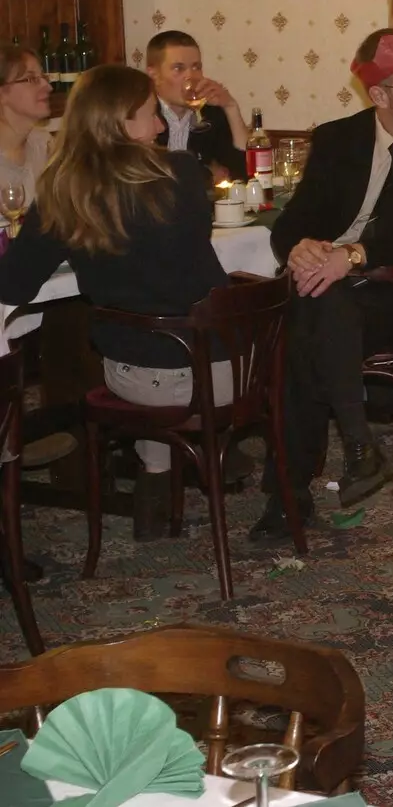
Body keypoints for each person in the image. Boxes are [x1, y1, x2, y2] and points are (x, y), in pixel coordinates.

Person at [255, 25, 393, 542]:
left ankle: (288, 492)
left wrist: (352, 256)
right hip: (331, 292)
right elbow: (298, 217)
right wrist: (298, 248)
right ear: (379, 95)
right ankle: (359, 449)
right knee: (313, 315)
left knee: (302, 326)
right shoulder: (339, 138)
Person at [0, 66, 231, 540]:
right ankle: (176, 470)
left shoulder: (64, 192)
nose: (162, 127)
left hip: (145, 381)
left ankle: (153, 478)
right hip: (229, 372)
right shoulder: (185, 172)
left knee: (125, 347)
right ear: (120, 124)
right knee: (162, 330)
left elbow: (14, 287)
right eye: (152, 117)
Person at [145, 31, 249, 182]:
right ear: (154, 74)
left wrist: (231, 107)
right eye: (178, 68)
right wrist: (206, 175)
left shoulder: (211, 113)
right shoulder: (143, 115)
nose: (191, 76)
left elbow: (244, 171)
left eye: (196, 67)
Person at [0, 46, 53, 202]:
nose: (48, 87)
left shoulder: (44, 145)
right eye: (32, 79)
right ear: (2, 94)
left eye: (44, 77)